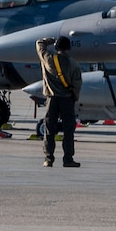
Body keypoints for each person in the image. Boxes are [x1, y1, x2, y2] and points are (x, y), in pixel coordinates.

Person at [38, 34, 81, 168]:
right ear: (68, 48)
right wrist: (74, 96)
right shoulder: (74, 64)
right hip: (67, 100)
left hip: (52, 99)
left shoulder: (48, 59)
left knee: (50, 129)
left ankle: (48, 159)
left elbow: (39, 44)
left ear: (57, 47)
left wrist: (50, 40)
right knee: (69, 130)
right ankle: (68, 159)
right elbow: (77, 83)